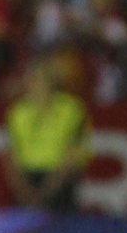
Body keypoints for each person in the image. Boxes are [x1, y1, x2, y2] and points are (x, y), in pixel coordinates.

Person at [5, 59, 91, 211]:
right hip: (28, 180)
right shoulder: (18, 111)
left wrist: (47, 191)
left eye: (35, 79)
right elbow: (11, 153)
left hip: (60, 182)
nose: (30, 84)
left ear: (50, 82)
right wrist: (25, 191)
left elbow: (73, 152)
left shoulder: (71, 109)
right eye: (28, 79)